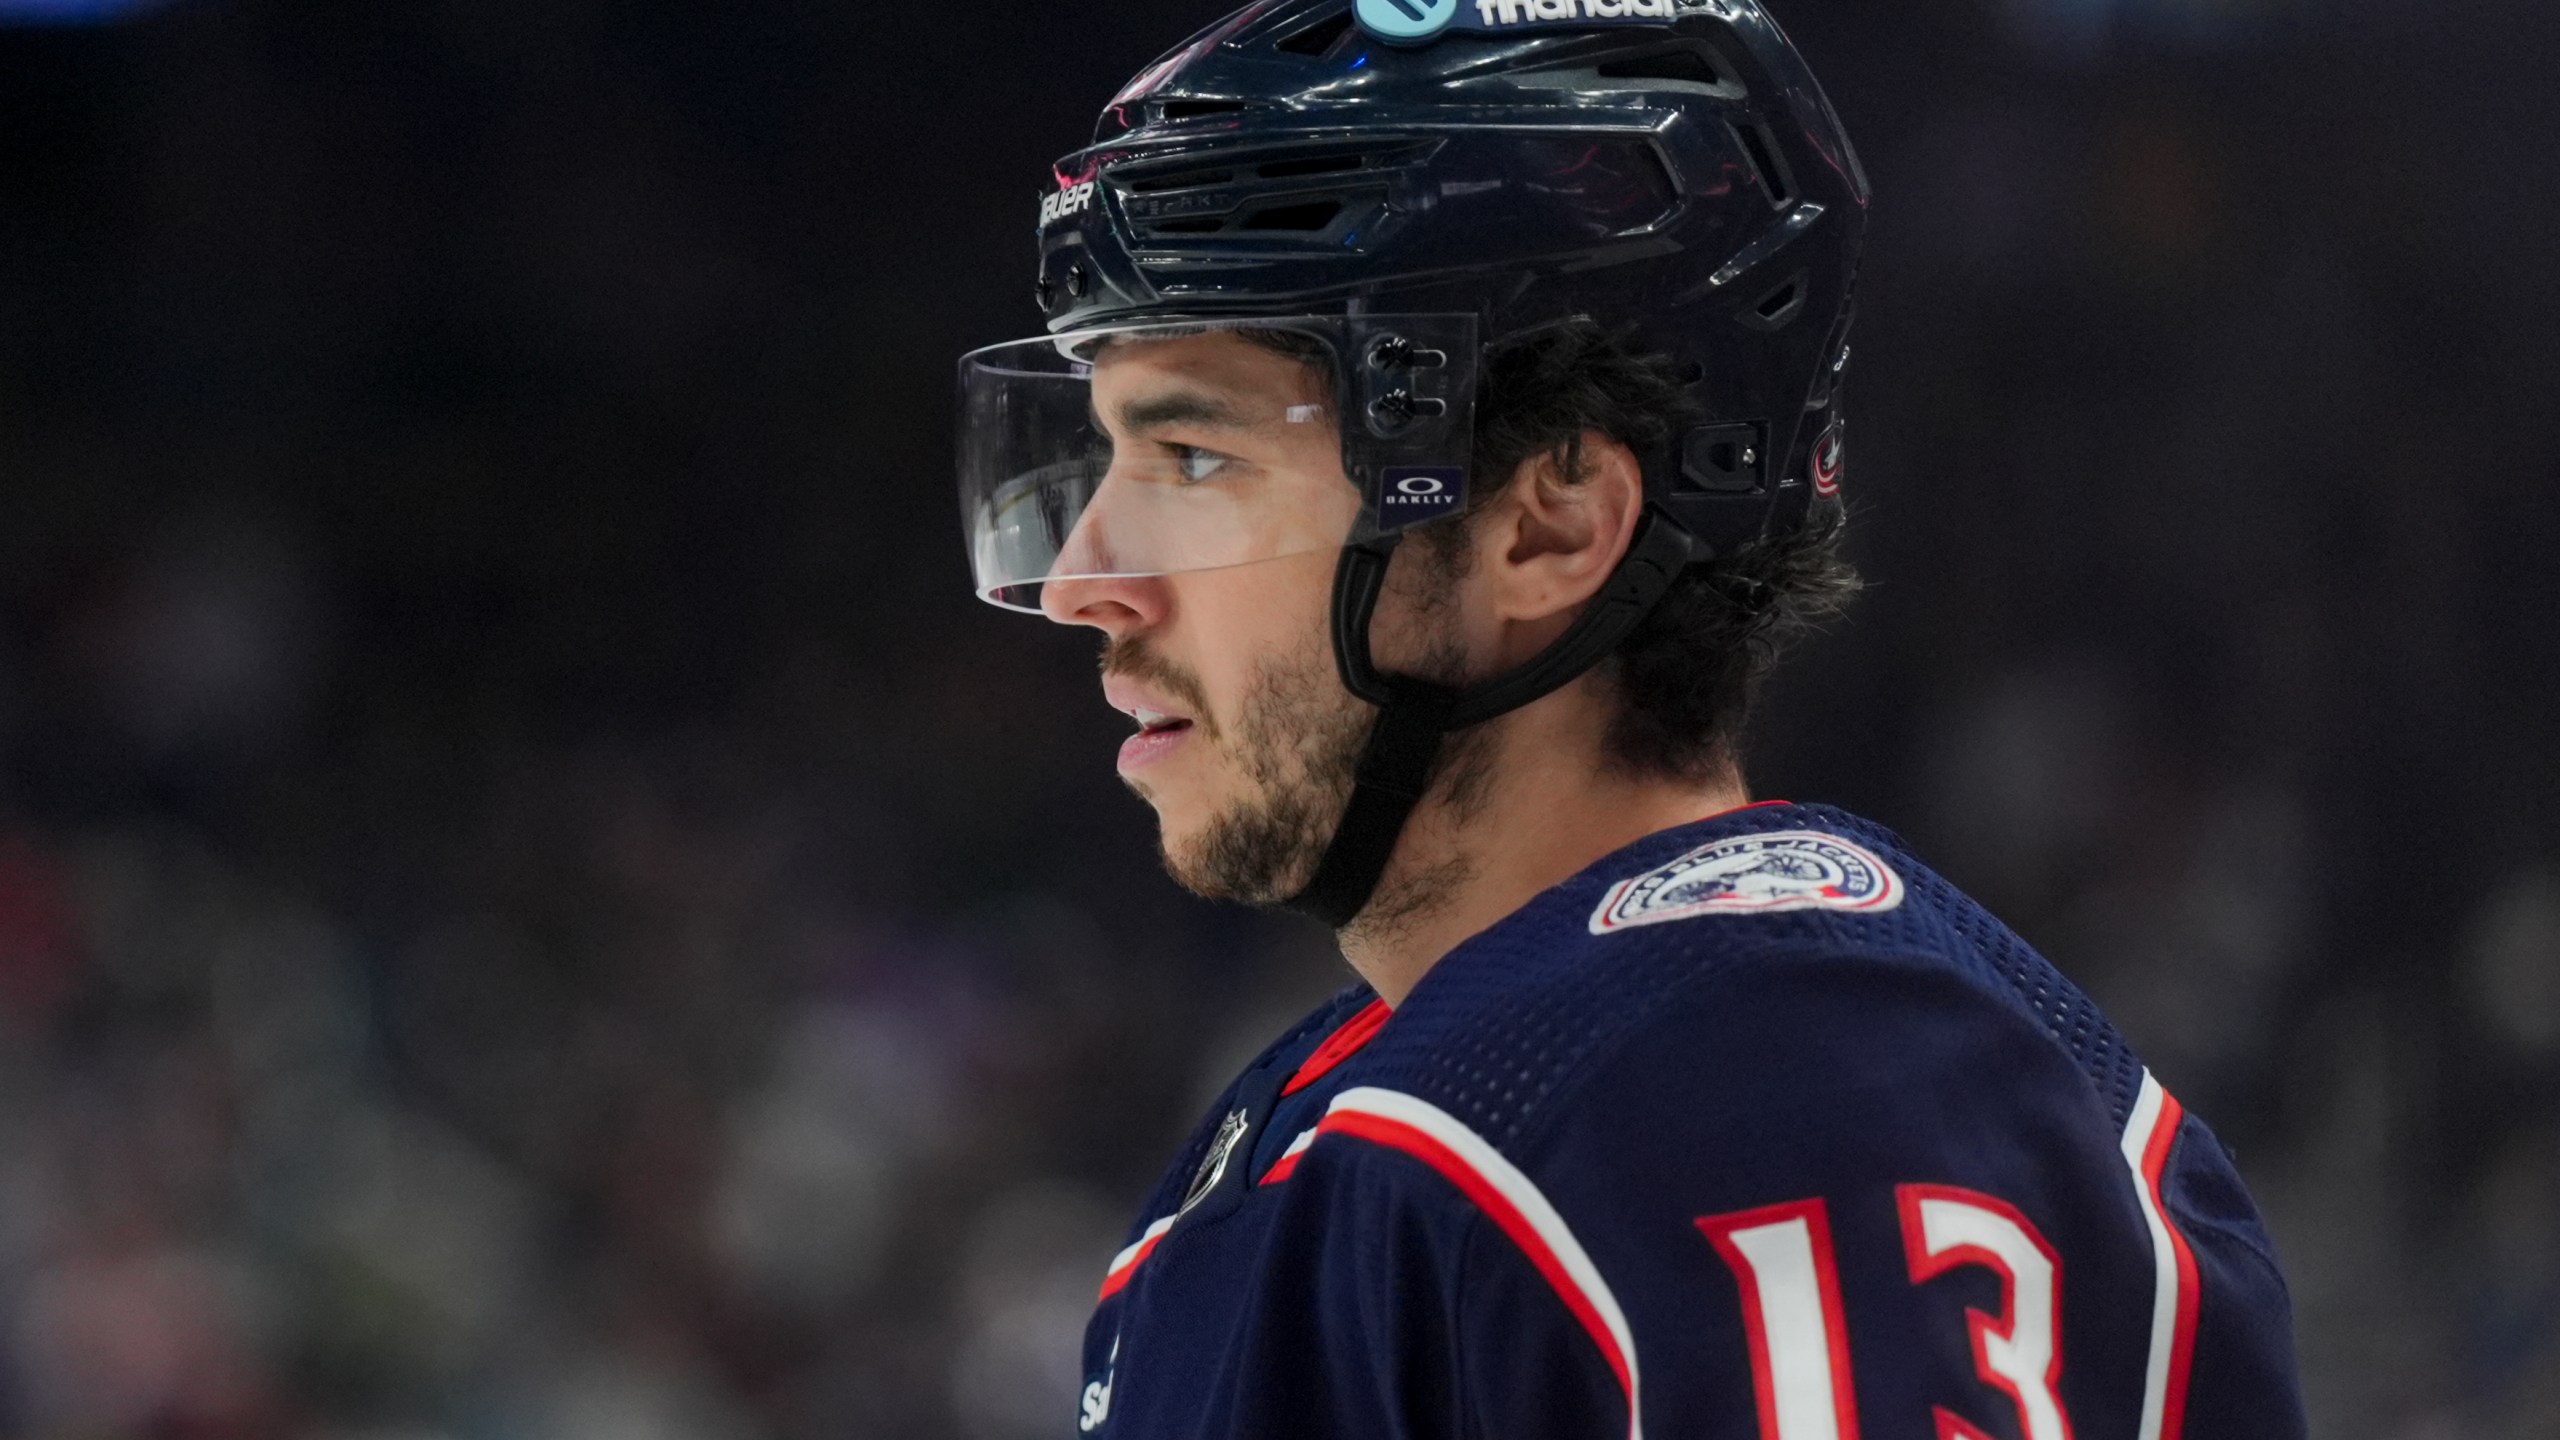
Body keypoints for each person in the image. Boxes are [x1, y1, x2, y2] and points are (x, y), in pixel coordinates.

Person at [952, 1, 2307, 1435]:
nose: (1087, 579)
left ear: (1548, 528)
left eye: (1195, 452)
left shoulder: (1564, 1137)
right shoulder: (2052, 1088)